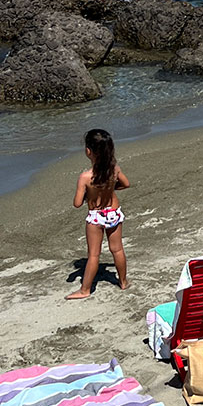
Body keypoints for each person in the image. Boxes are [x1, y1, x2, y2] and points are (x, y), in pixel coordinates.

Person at [66, 128, 130, 300]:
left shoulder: (85, 177)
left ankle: (85, 289)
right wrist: (111, 189)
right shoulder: (114, 169)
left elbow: (77, 203)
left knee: (94, 254)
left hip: (96, 215)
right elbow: (126, 184)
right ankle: (123, 282)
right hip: (114, 212)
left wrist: (87, 195)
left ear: (88, 151)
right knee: (117, 249)